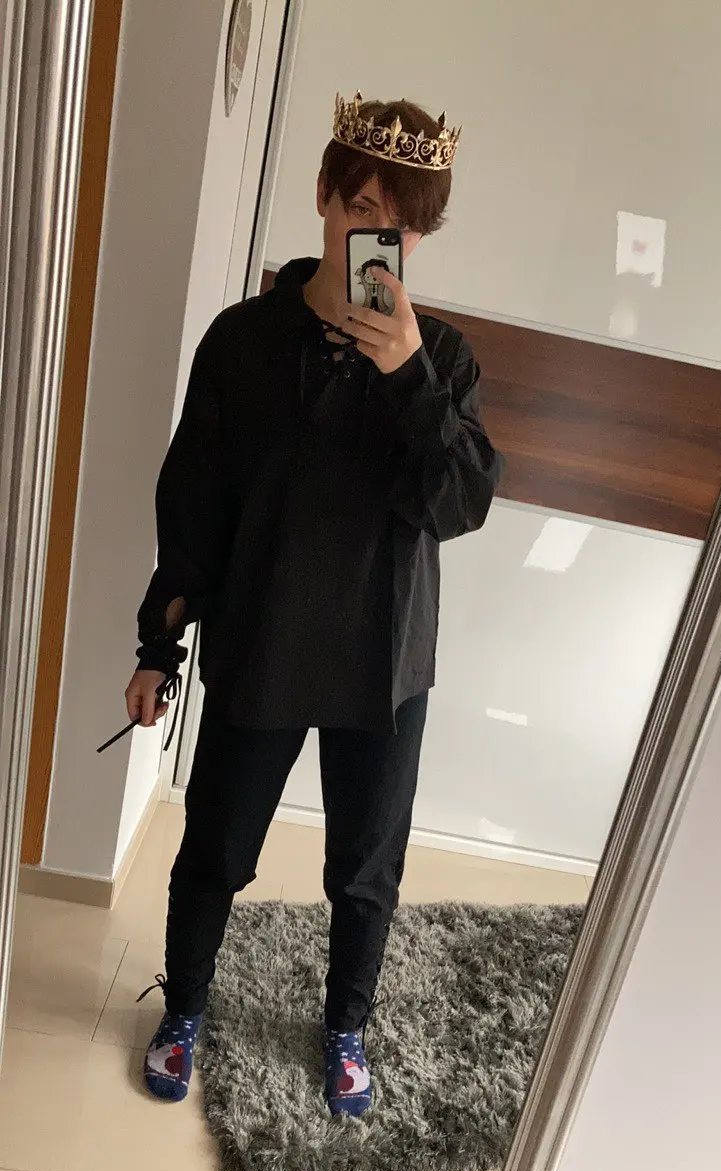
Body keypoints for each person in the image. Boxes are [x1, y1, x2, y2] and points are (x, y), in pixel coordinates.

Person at [126, 92, 502, 1116]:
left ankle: (346, 1025)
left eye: (406, 223)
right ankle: (185, 1007)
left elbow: (460, 503)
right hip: (263, 637)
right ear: (326, 197)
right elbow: (193, 501)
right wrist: (158, 645)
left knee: (367, 867)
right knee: (216, 847)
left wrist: (409, 376)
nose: (383, 237)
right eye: (366, 207)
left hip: (385, 656)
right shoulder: (244, 340)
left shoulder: (442, 359)